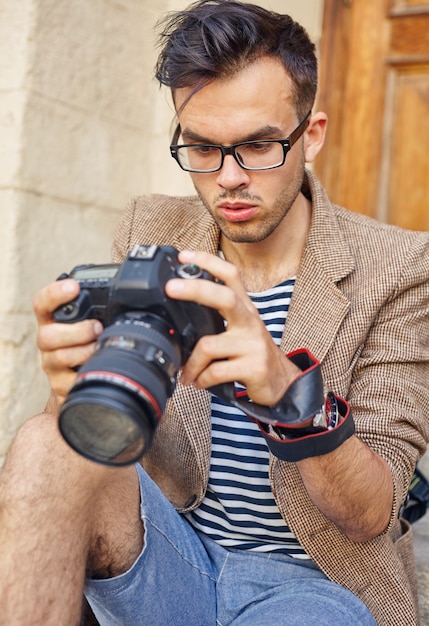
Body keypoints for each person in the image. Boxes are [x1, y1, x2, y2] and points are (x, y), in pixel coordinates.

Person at [0, 1, 428, 624]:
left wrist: (287, 390)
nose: (228, 178)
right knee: (43, 443)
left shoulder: (402, 266)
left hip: (312, 587)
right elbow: (91, 449)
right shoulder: (153, 227)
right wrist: (73, 387)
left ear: (312, 135)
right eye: (201, 147)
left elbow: (372, 512)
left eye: (257, 145)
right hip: (170, 550)